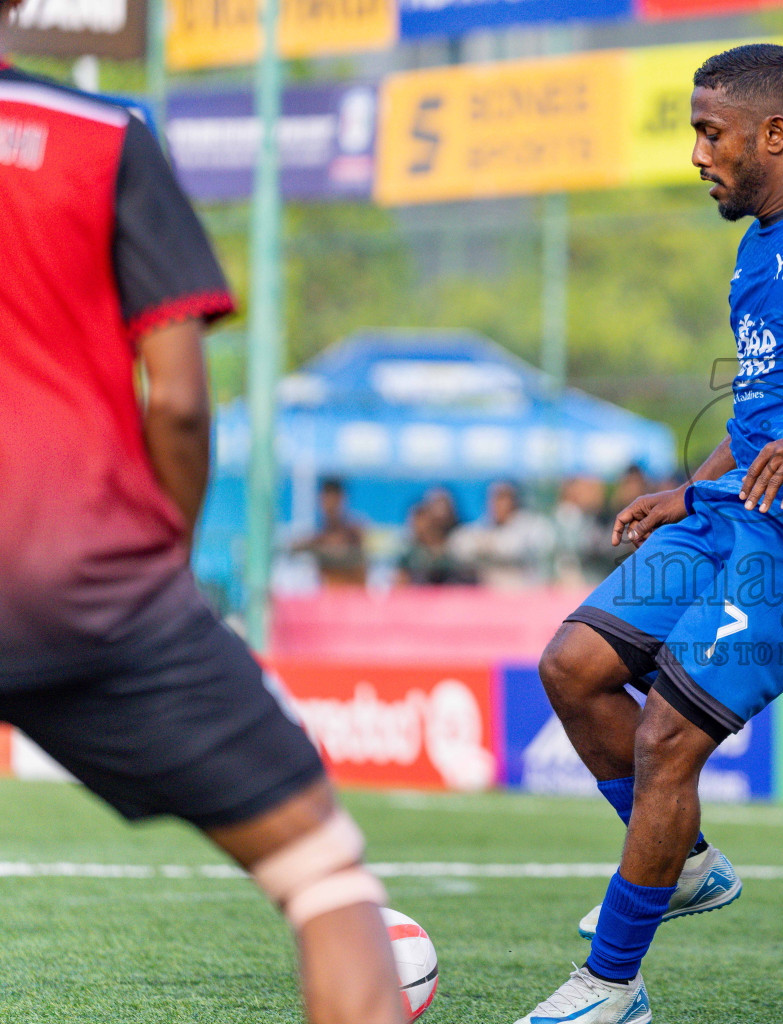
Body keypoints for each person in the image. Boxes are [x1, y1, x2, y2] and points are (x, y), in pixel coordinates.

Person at [517, 43, 783, 1024]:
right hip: (732, 511)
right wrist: (692, 487)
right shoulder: (756, 250)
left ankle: (611, 986)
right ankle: (684, 863)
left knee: (669, 735)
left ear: (774, 133)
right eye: (695, 133)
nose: (697, 154)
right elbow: (762, 411)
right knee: (573, 666)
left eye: (710, 133)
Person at [0, 53, 402, 1024]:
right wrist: (162, 570)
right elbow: (178, 401)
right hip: (78, 577)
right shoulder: (103, 136)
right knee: (321, 872)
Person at [449, 480, 557, 589]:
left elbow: (518, 548)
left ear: (514, 500)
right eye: (494, 498)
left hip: (523, 590)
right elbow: (459, 546)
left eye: (503, 498)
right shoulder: (483, 526)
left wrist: (487, 545)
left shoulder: (530, 525)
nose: (498, 504)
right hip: (489, 591)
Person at [290, 477, 368, 587]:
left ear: (341, 499)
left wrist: (315, 546)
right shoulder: (319, 534)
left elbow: (340, 550)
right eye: (326, 499)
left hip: (352, 592)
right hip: (329, 592)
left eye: (333, 499)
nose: (330, 504)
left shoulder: (354, 530)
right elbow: (295, 546)